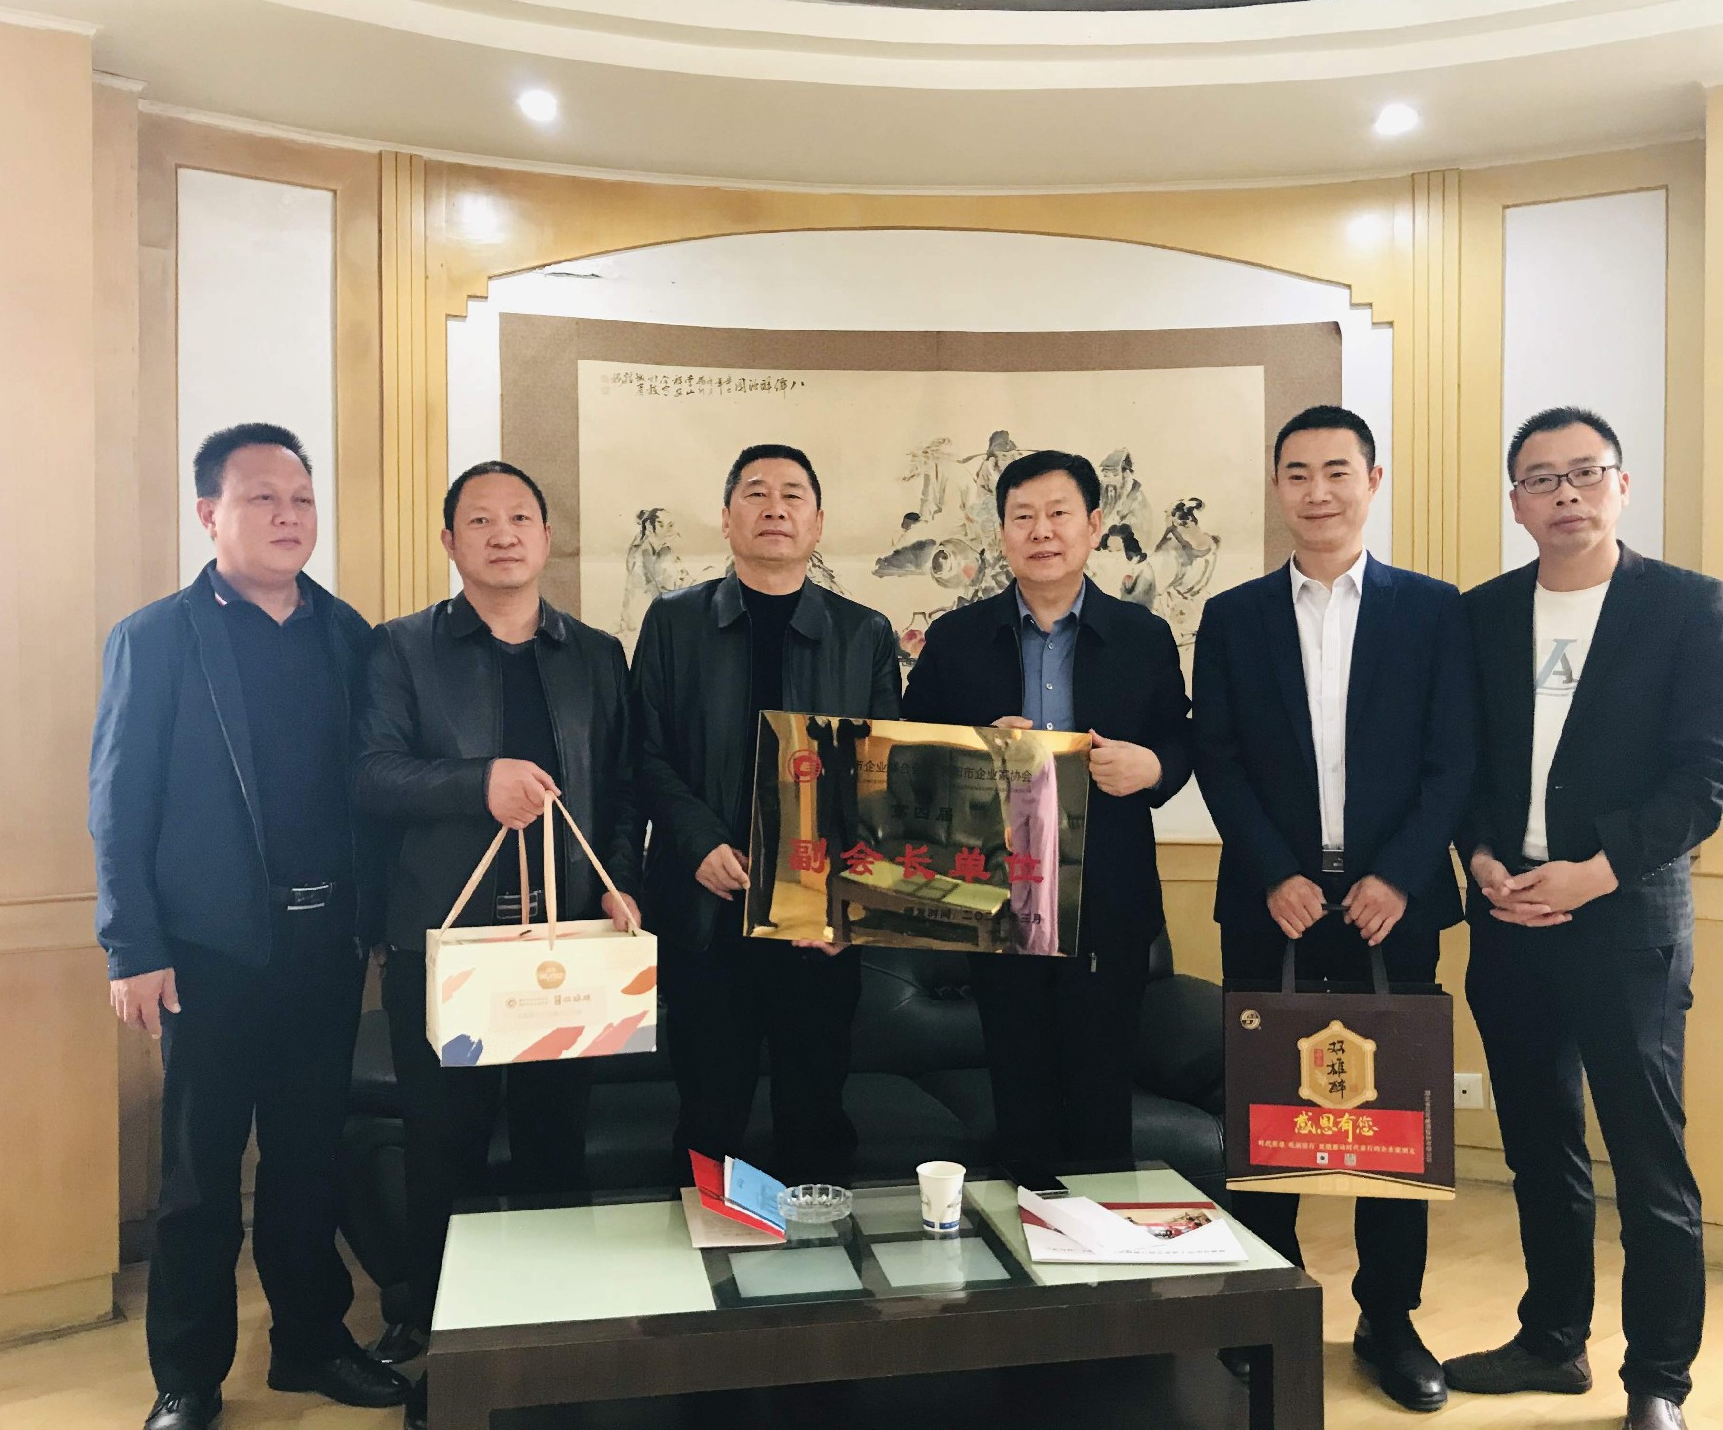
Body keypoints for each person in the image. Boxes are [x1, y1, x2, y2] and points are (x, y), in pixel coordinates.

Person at [90, 424, 410, 1430]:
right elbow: (117, 804)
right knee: (198, 1177)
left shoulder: (349, 635)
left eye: (302, 499)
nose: (288, 516)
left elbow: (374, 790)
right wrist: (131, 945)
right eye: (262, 498)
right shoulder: (157, 637)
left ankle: (310, 1343)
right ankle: (187, 1376)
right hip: (207, 954)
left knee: (308, 1162)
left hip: (325, 948)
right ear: (209, 514)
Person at [1444, 408, 1723, 1430]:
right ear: (1517, 504)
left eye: (1585, 473)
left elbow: (1717, 771)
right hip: (1508, 918)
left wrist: (1601, 870)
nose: (1565, 494)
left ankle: (1659, 1380)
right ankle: (1552, 1339)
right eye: (1542, 479)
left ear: (1621, 485)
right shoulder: (1482, 615)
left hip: (1625, 926)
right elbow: (1462, 765)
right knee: (1539, 1150)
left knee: (1648, 1160)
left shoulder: (1688, 607)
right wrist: (1480, 858)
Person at [1193, 404, 1474, 1412]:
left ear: (1373, 480)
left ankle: (1389, 1321)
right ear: (1278, 487)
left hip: (1391, 903)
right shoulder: (1233, 616)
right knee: (1267, 1113)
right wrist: (1274, 869)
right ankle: (1266, 1307)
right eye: (1298, 473)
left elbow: (1454, 757)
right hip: (1271, 900)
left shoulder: (1433, 611)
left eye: (1338, 471)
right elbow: (1217, 756)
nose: (1319, 492)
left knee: (1394, 1120)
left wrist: (1398, 874)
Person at [353, 461, 644, 1430]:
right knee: (446, 1149)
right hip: (449, 947)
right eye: (480, 520)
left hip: (570, 946)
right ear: (450, 543)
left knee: (558, 1143)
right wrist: (476, 782)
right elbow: (371, 776)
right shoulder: (401, 649)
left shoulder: (595, 653)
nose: (503, 534)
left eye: (520, 517)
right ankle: (442, 1338)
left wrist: (624, 881)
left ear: (547, 537)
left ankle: (555, 1335)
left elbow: (625, 786)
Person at [902, 449, 1192, 1181]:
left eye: (1059, 513)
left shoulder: (1142, 635)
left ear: (1093, 525)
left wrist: (1153, 767)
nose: (1041, 531)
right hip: (996, 898)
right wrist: (975, 749)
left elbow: (1183, 738)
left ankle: (1100, 1247)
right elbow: (908, 751)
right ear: (1001, 532)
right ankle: (1026, 1245)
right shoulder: (957, 639)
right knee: (1020, 1099)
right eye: (1022, 516)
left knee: (1102, 1103)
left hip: (1108, 900)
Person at [631, 444, 900, 1187]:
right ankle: (706, 1257)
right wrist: (698, 843)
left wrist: (849, 905)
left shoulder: (864, 633)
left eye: (792, 494)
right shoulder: (674, 622)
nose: (774, 508)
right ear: (726, 519)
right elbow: (643, 754)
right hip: (705, 909)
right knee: (708, 1116)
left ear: (818, 522)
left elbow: (885, 780)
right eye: (754, 493)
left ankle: (817, 1260)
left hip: (819, 919)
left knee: (815, 1115)